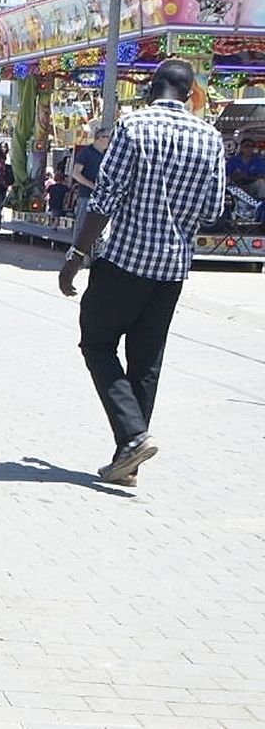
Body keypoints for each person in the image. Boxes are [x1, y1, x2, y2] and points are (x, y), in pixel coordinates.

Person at [59, 59, 226, 487]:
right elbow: (212, 210)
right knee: (146, 360)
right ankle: (127, 458)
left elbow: (104, 201)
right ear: (190, 95)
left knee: (96, 343)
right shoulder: (210, 138)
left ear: (152, 88)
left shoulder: (134, 128)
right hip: (172, 269)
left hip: (125, 262)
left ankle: (133, 437)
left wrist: (76, 256)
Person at [71, 126, 112, 233]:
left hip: (101, 198)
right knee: (82, 226)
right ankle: (76, 248)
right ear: (100, 138)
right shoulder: (86, 152)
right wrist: (93, 186)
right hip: (86, 196)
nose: (111, 140)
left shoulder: (107, 155)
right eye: (109, 137)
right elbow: (76, 174)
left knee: (97, 229)